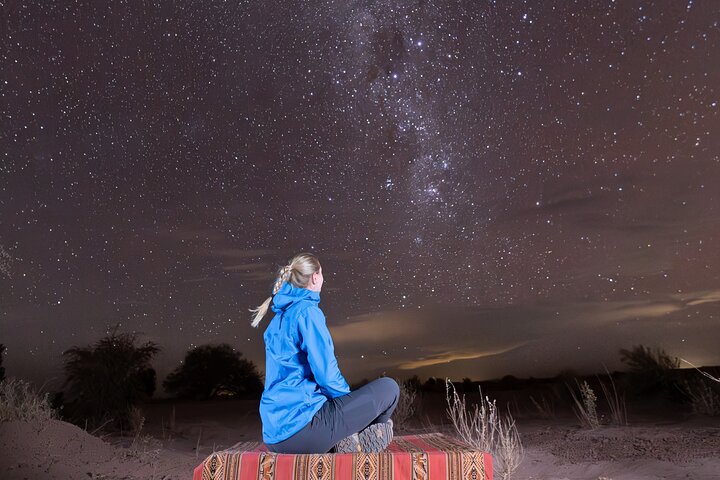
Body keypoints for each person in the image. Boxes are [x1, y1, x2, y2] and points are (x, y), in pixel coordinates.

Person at [250, 252, 399, 454]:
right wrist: (351, 410)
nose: (324, 279)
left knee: (347, 404)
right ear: (314, 277)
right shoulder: (307, 312)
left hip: (274, 436)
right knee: (389, 388)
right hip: (303, 430)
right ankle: (362, 440)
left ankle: (346, 443)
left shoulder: (277, 320)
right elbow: (326, 375)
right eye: (322, 274)